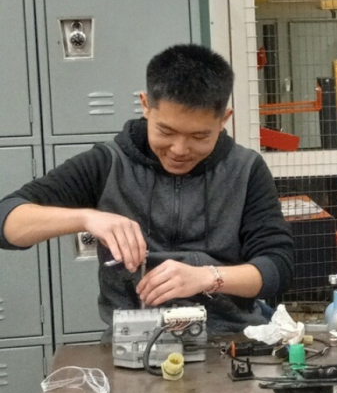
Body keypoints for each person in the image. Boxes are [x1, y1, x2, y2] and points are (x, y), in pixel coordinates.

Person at [0, 44, 294, 336]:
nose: (179, 150)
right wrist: (87, 218)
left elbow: (277, 268)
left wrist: (207, 277)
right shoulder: (108, 163)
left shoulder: (246, 170)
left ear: (224, 120)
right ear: (145, 105)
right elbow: (7, 221)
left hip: (229, 341)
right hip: (133, 343)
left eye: (199, 136)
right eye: (166, 132)